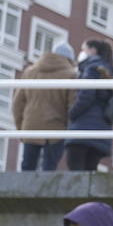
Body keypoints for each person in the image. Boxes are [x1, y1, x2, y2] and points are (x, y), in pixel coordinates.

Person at [12, 42, 75, 172]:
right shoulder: (71, 75)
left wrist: (21, 129)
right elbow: (73, 107)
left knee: (27, 167)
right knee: (49, 169)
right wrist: (69, 132)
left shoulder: (30, 72)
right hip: (56, 130)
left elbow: (17, 104)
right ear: (69, 59)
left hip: (30, 126)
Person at [64, 39, 113, 172]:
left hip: (84, 126)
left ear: (93, 50)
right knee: (90, 170)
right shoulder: (111, 71)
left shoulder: (92, 67)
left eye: (84, 49)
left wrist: (72, 113)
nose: (82, 53)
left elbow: (86, 95)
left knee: (74, 166)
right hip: (101, 129)